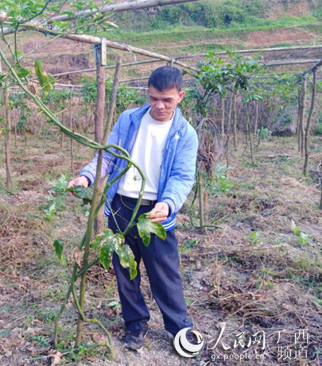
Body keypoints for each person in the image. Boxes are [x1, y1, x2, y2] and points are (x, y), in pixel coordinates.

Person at [67, 66, 199, 352]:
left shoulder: (185, 134)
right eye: (153, 98)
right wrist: (87, 176)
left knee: (165, 274)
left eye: (167, 100)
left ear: (181, 97)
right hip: (122, 206)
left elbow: (182, 176)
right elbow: (109, 156)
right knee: (125, 269)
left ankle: (179, 329)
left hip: (155, 211)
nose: (159, 106)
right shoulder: (129, 120)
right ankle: (135, 325)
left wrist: (168, 203)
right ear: (147, 94)